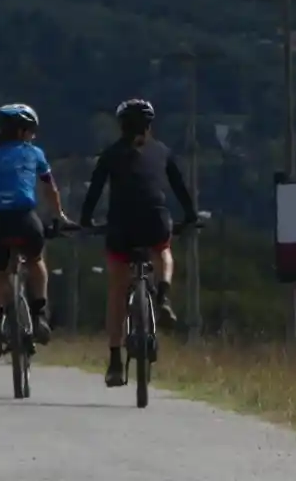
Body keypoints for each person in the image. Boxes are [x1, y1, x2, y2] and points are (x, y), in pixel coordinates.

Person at [79, 98, 198, 387]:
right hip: (155, 219)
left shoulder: (109, 154)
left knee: (118, 290)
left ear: (121, 125)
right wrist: (191, 216)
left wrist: (85, 221)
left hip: (121, 224)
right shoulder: (163, 152)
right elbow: (180, 187)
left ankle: (115, 361)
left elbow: (94, 192)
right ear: (150, 125)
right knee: (164, 252)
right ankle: (164, 296)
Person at [0, 103, 72, 361]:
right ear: (22, 131)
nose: (33, 136)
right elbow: (49, 189)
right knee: (35, 260)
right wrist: (59, 217)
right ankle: (40, 313)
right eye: (31, 130)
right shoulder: (34, 153)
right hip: (25, 220)